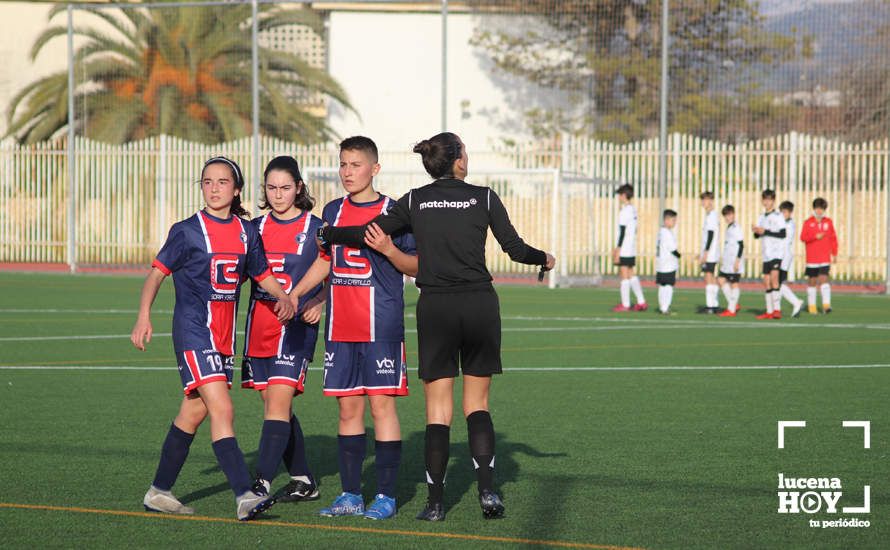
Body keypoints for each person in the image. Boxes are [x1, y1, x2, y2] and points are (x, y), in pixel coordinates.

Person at [317, 132, 556, 522]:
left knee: (437, 411)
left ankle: (434, 504)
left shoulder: (414, 200)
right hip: (479, 305)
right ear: (459, 160)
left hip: (436, 308)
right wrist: (543, 258)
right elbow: (514, 249)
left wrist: (330, 233)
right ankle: (488, 494)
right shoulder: (484, 197)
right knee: (476, 405)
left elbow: (369, 233)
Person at [131, 156, 294, 521]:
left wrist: (283, 296)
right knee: (223, 409)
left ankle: (158, 491)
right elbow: (157, 274)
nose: (214, 188)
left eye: (222, 182)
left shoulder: (246, 231)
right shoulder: (186, 230)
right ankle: (244, 495)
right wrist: (144, 316)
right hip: (193, 330)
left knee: (194, 412)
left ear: (236, 190)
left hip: (223, 338)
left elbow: (262, 273)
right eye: (207, 181)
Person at [291, 136, 418, 521]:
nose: (347, 172)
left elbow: (416, 267)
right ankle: (350, 494)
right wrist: (296, 296)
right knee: (348, 409)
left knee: (381, 406)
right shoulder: (332, 210)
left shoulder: (394, 211)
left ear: (374, 169)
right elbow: (326, 262)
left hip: (381, 325)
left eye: (356, 165)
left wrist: (387, 249)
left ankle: (386, 496)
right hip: (341, 328)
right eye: (343, 164)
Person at [241, 156, 324, 504]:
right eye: (271, 188)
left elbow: (343, 268)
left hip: (295, 327)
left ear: (299, 188)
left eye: (285, 187)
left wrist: (323, 302)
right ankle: (304, 479)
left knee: (277, 402)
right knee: (277, 406)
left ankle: (260, 483)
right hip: (259, 324)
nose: (278, 195)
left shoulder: (317, 227)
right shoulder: (254, 228)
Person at [611, 184, 647, 312]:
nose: (619, 197)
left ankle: (625, 304)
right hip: (631, 247)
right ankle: (641, 301)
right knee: (631, 274)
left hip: (625, 247)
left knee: (624, 275)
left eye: (620, 195)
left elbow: (622, 231)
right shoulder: (633, 209)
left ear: (624, 195)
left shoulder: (624, 211)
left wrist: (618, 249)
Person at [800, 197, 838, 314]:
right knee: (812, 281)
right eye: (817, 208)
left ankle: (826, 306)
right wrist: (814, 237)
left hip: (824, 257)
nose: (819, 211)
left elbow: (833, 238)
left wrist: (834, 253)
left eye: (822, 209)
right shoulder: (808, 222)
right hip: (812, 258)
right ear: (814, 209)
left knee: (824, 279)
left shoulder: (828, 222)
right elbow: (803, 237)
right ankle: (812, 306)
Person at [752, 189, 786, 320]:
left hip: (776, 253)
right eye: (764, 199)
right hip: (766, 253)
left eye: (769, 199)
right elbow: (758, 235)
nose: (767, 202)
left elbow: (783, 234)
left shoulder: (778, 216)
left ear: (773, 201)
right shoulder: (761, 216)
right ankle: (769, 311)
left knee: (774, 280)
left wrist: (765, 231)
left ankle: (777, 310)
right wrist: (756, 231)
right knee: (766, 282)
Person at [777, 201, 803, 318]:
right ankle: (776, 308)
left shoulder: (789, 224)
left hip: (784, 256)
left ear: (790, 213)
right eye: (781, 212)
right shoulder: (782, 222)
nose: (783, 214)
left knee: (777, 283)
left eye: (785, 212)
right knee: (777, 283)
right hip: (779, 255)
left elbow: (782, 239)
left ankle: (796, 302)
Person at [717, 205, 744, 317]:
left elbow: (741, 245)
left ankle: (731, 310)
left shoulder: (736, 228)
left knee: (734, 284)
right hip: (728, 261)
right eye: (726, 215)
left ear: (734, 214)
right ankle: (733, 304)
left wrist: (737, 261)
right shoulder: (730, 227)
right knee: (721, 280)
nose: (728, 217)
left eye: (730, 214)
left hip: (734, 261)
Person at [655, 209, 680, 315]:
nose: (675, 222)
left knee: (662, 285)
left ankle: (662, 306)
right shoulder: (667, 233)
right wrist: (679, 256)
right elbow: (673, 250)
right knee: (668, 286)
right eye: (673, 220)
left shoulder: (661, 232)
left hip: (660, 264)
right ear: (666, 220)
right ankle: (665, 307)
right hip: (668, 264)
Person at [699, 191, 720, 314]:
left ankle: (710, 305)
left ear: (711, 201)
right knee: (711, 277)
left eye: (705, 200)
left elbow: (711, 234)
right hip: (711, 252)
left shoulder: (712, 215)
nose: (703, 202)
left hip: (710, 253)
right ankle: (714, 305)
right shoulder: (710, 215)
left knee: (708, 277)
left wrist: (706, 252)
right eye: (702, 200)